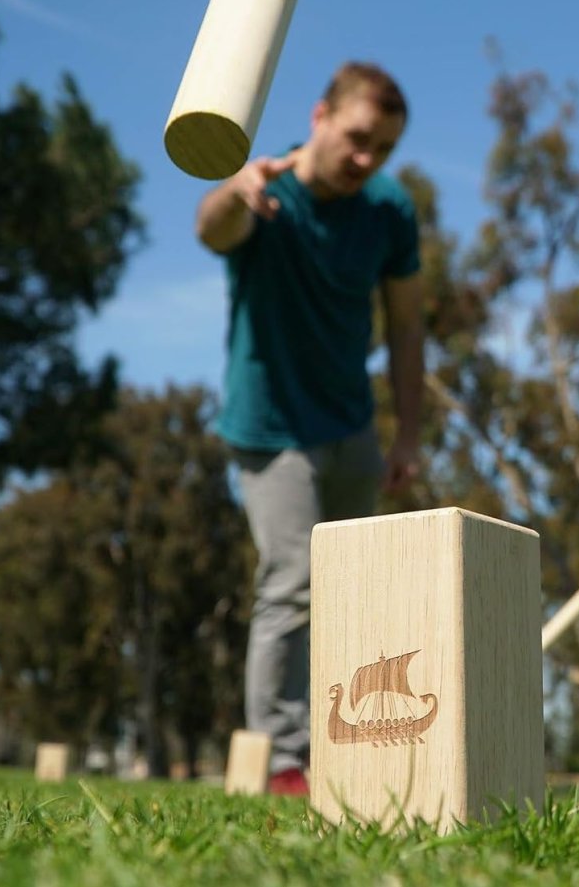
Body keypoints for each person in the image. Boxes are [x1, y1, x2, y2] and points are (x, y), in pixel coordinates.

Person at [195, 63, 424, 796]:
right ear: (321, 115)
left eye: (383, 149)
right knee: (292, 581)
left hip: (349, 422)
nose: (368, 160)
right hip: (270, 425)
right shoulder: (266, 190)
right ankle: (281, 761)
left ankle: (352, 746)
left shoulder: (389, 209)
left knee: (357, 590)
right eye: (359, 138)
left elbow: (408, 325)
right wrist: (234, 189)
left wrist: (409, 432)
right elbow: (211, 229)